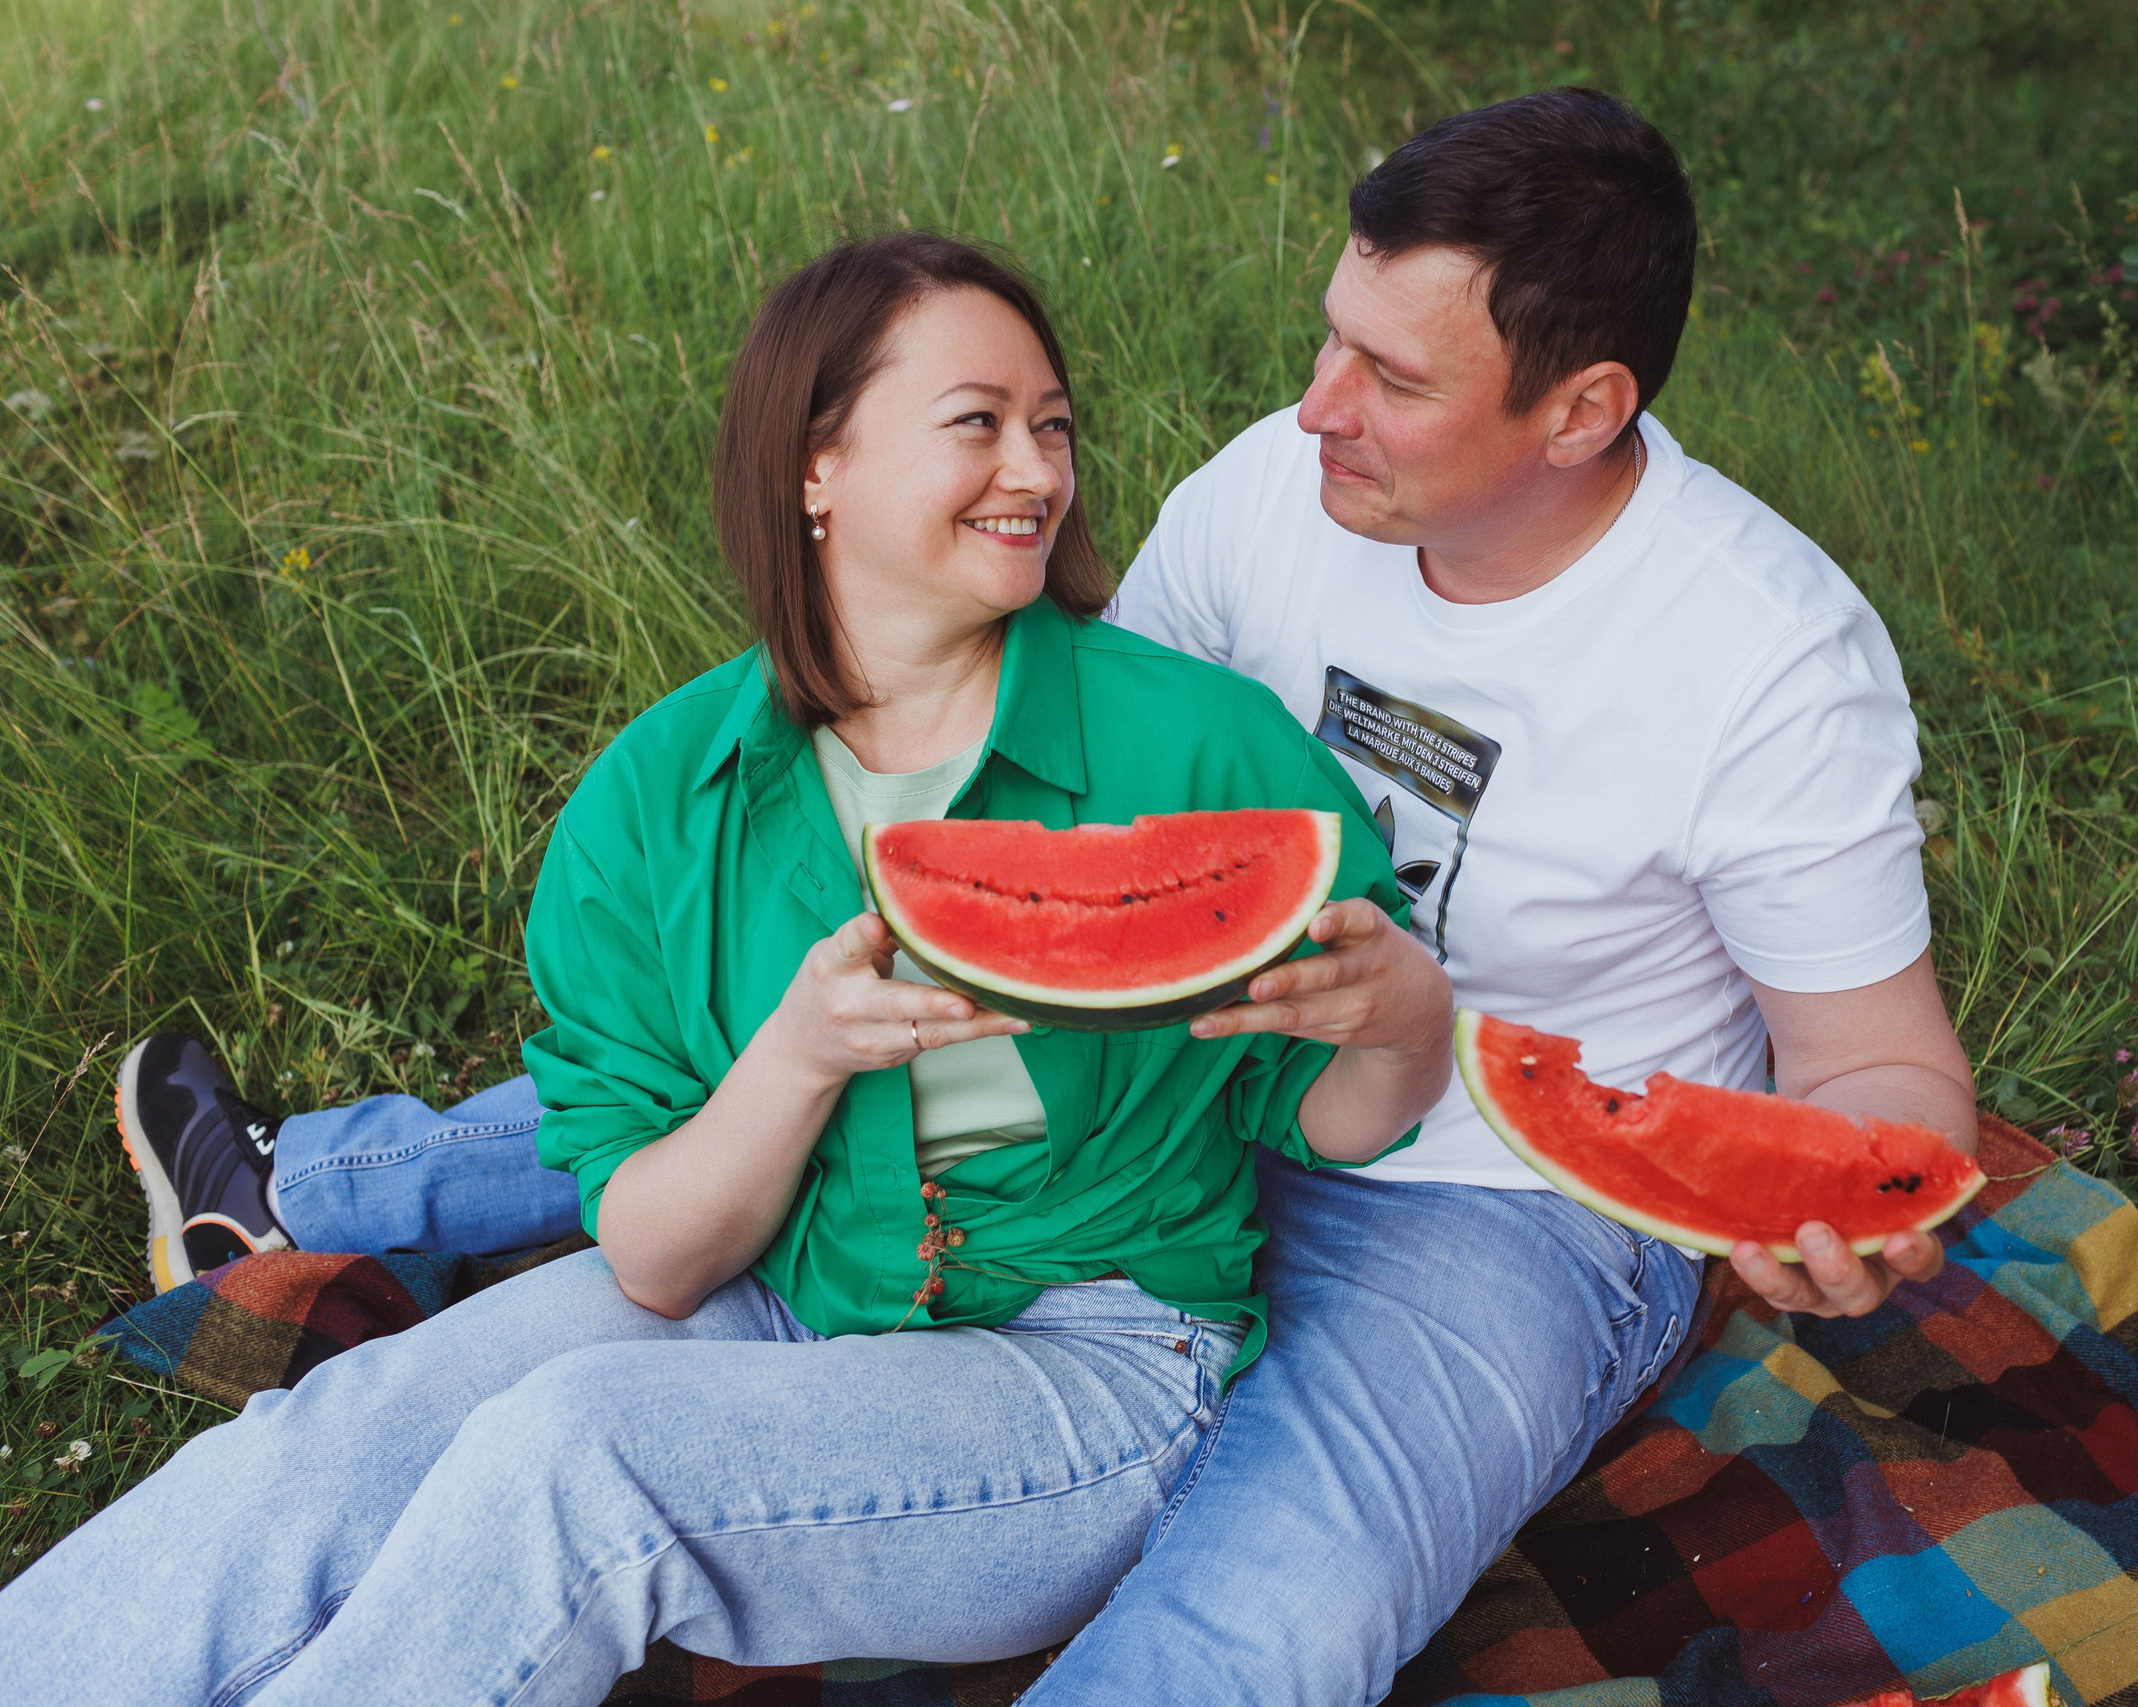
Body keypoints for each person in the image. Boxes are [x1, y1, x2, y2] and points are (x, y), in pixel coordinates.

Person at [108, 88, 1977, 1705]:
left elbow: (1884, 1075)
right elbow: (1066, 829)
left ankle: (333, 1185)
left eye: (1394, 379)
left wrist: (1849, 1200)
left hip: (1493, 1194)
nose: (1314, 403)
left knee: (1256, 1627)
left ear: (1580, 410)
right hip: (1165, 1070)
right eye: (1330, 334)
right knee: (768, 1048)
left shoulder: (1766, 657)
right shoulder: (1283, 483)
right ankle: (308, 1189)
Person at [9, 230, 1456, 1704]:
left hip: (1096, 1360)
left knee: (577, 1461)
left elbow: (1322, 1117)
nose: (1036, 471)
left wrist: (1409, 1023)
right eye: (977, 424)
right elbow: (659, 1259)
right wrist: (802, 1053)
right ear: (815, 465)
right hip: (780, 1279)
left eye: (1054, 427)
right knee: (349, 1432)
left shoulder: (1200, 750)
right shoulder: (655, 803)